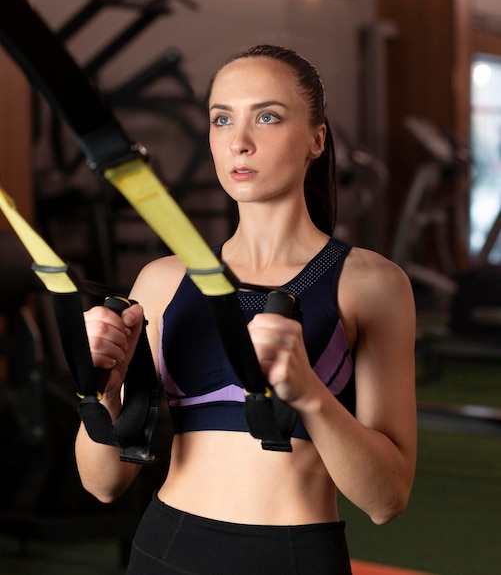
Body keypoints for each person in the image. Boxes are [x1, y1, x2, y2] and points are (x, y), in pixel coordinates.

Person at [76, 44, 417, 574]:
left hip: (295, 557)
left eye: (267, 116)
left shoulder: (371, 284)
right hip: (167, 548)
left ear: (316, 139)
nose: (239, 142)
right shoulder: (162, 283)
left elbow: (386, 500)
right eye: (221, 119)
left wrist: (308, 394)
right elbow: (102, 484)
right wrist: (104, 387)